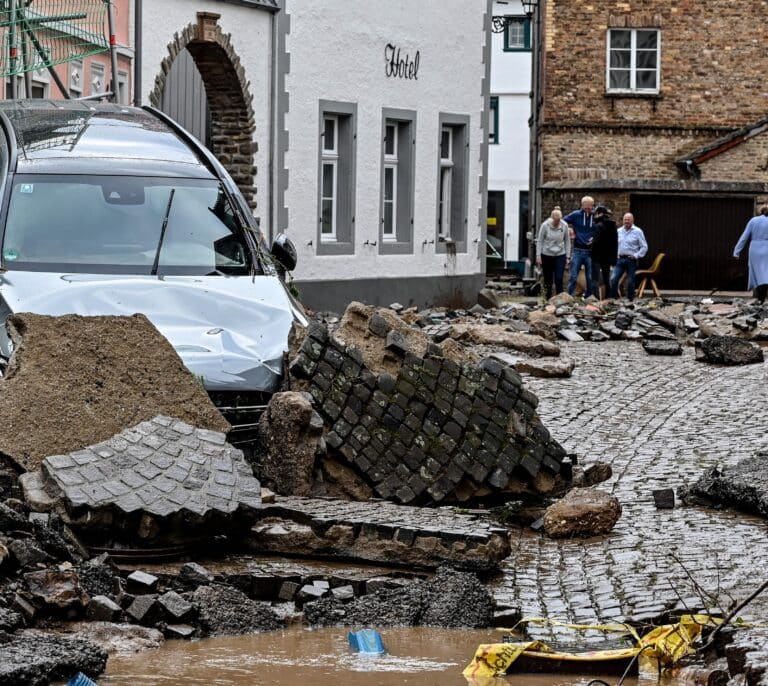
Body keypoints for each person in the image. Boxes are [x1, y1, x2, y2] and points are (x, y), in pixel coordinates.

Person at [609, 213, 648, 301]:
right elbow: (613, 245)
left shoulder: (638, 231)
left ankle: (630, 300)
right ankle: (614, 299)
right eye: (625, 219)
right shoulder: (618, 231)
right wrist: (615, 255)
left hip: (631, 260)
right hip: (620, 259)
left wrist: (636, 256)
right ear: (623, 220)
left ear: (632, 220)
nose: (626, 221)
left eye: (628, 219)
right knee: (613, 279)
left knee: (630, 281)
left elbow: (644, 246)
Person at [733, 205, 768, 303]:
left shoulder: (753, 221)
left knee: (758, 274)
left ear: (761, 211)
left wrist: (736, 251)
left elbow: (744, 236)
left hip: (755, 249)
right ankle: (763, 297)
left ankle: (760, 298)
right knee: (766, 272)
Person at [564, 196, 596, 297]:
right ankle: (569, 297)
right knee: (573, 276)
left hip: (590, 252)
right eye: (585, 207)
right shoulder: (575, 215)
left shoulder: (596, 216)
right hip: (577, 250)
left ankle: (589, 297)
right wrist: (569, 229)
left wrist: (595, 238)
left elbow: (603, 229)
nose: (587, 209)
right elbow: (562, 222)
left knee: (590, 277)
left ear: (593, 206)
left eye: (589, 207)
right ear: (581, 205)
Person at [536, 208, 571, 299]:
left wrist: (568, 256)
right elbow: (540, 241)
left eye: (558, 220)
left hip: (560, 254)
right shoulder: (544, 225)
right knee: (548, 280)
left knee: (559, 278)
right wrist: (538, 255)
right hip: (546, 254)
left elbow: (567, 241)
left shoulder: (564, 225)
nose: (557, 222)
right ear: (551, 218)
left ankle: (560, 299)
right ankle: (547, 299)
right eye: (555, 221)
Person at [591, 205, 617, 300]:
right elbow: (614, 243)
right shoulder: (613, 226)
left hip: (597, 257)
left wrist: (592, 243)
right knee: (606, 278)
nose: (594, 216)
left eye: (596, 214)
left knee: (595, 279)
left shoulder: (598, 226)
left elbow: (596, 242)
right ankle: (608, 298)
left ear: (600, 214)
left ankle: (595, 300)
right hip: (608, 257)